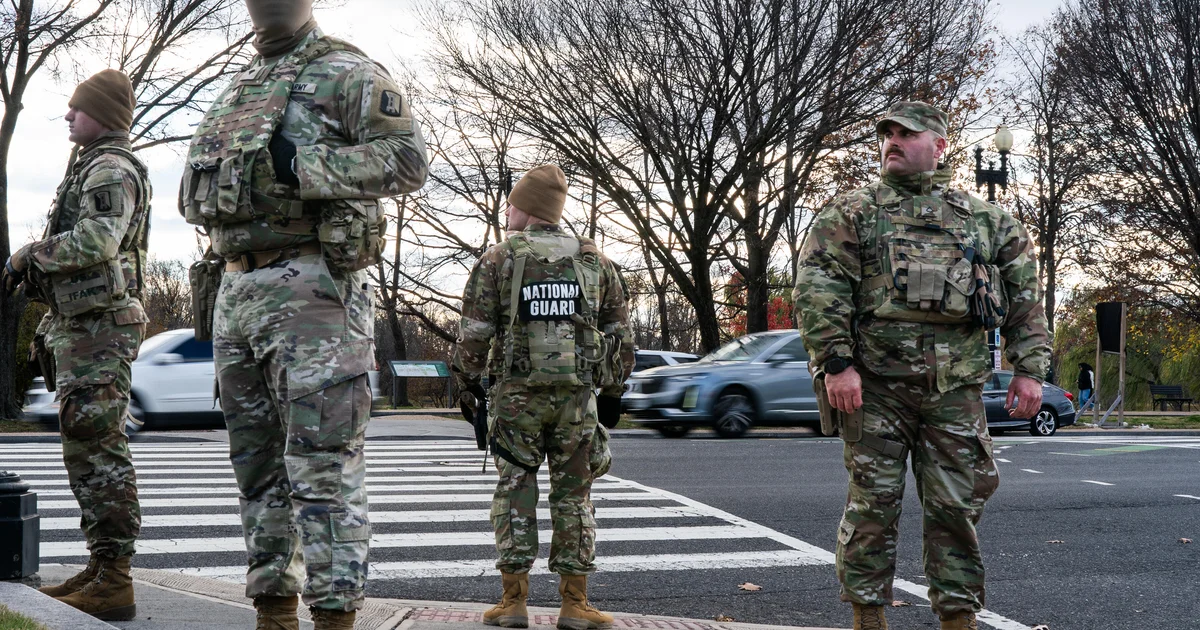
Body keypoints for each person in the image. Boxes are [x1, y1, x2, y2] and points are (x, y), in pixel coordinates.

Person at [178, 1, 428, 628]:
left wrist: (304, 164)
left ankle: (335, 617)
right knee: (256, 467)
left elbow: (408, 161)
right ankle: (274, 612)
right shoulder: (240, 86)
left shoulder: (348, 71)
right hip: (236, 288)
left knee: (321, 466)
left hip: (313, 290)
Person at [793, 101, 1051, 630]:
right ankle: (869, 618)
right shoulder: (853, 213)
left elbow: (1025, 294)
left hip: (955, 391)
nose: (892, 141)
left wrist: (1030, 369)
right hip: (876, 390)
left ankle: (958, 619)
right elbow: (818, 289)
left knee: (957, 509)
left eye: (906, 134)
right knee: (872, 509)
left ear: (939, 145)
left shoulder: (985, 219)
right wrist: (836, 363)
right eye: (887, 134)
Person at [452, 165, 634, 630]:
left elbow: (475, 333)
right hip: (577, 399)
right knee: (575, 496)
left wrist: (468, 385)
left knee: (516, 491)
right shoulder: (595, 260)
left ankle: (513, 602)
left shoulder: (499, 258)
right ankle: (576, 605)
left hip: (516, 398)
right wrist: (613, 390)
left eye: (513, 203)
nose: (507, 210)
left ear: (529, 208)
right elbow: (619, 333)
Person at [2, 70, 151, 621]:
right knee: (86, 449)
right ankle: (101, 567)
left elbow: (98, 240)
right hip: (85, 326)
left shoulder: (110, 167)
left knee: (99, 450)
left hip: (101, 329)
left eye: (76, 108)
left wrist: (27, 256)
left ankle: (115, 578)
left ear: (105, 114)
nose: (67, 116)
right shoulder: (91, 165)